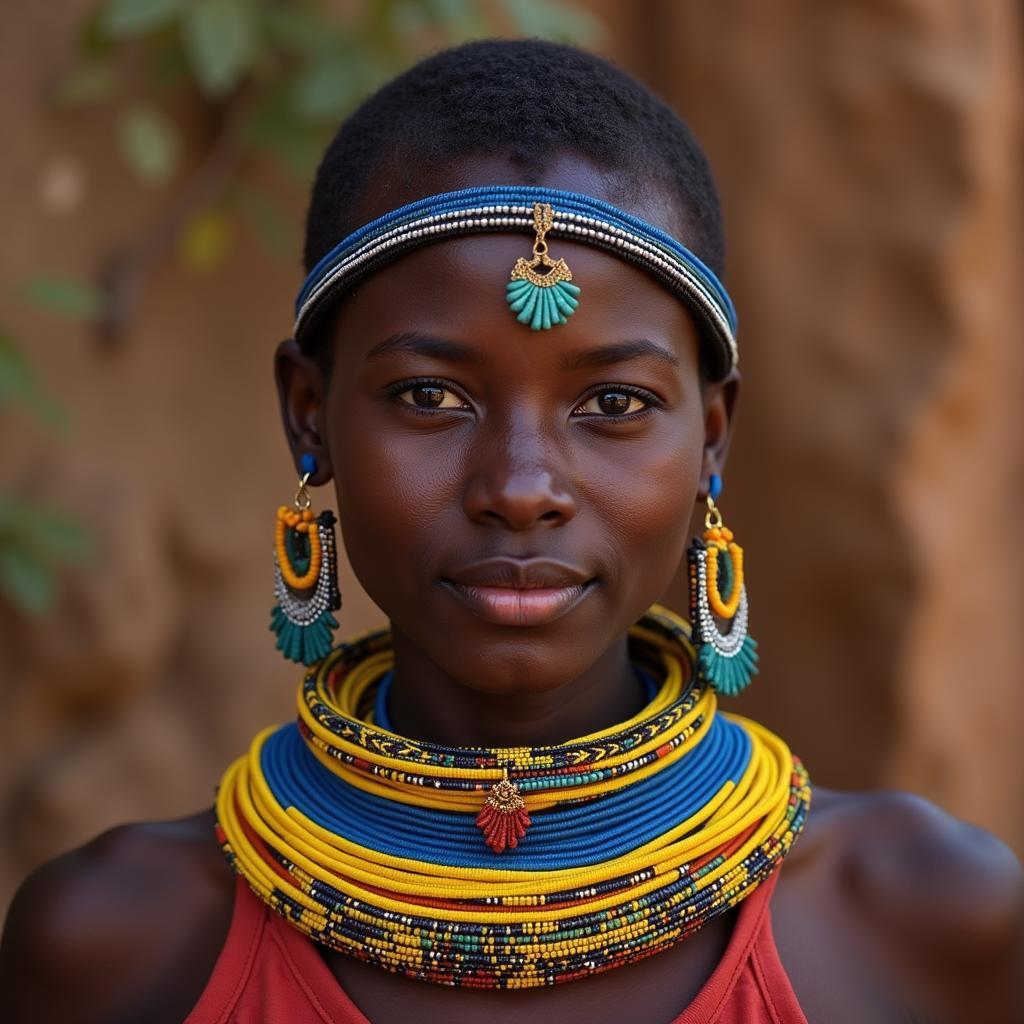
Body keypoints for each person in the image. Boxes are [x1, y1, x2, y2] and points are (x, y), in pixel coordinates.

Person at [1, 39, 1020, 1024]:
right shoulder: (115, 950)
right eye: (431, 394)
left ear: (712, 435)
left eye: (614, 403)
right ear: (307, 413)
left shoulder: (929, 925)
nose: (522, 487)